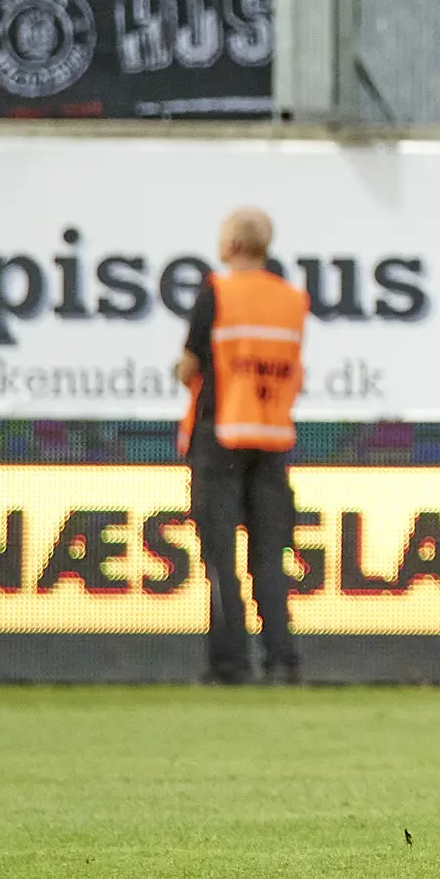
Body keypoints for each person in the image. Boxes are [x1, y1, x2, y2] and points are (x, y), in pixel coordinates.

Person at [174, 208, 309, 687]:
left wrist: (181, 371)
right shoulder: (292, 299)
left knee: (220, 558)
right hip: (272, 438)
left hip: (220, 435)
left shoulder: (217, 291)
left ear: (229, 244)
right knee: (270, 558)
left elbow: (191, 364)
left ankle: (230, 663)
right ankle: (283, 660)